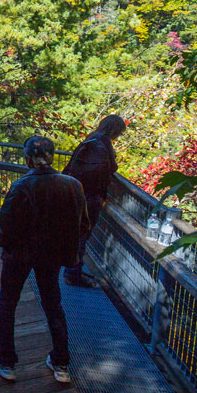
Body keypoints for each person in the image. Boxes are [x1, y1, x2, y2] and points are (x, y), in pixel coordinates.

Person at [0, 136, 90, 384]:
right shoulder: (73, 185)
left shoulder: (21, 186)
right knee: (52, 302)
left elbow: (5, 228)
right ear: (52, 156)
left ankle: (6, 361)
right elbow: (84, 224)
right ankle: (60, 361)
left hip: (19, 255)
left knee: (7, 303)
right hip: (52, 255)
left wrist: (3, 242)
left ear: (27, 159)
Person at [61, 115, 126, 287]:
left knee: (77, 234)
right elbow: (112, 167)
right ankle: (73, 274)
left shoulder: (91, 138)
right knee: (81, 236)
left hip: (77, 192)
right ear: (115, 129)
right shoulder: (104, 142)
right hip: (91, 196)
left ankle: (73, 270)